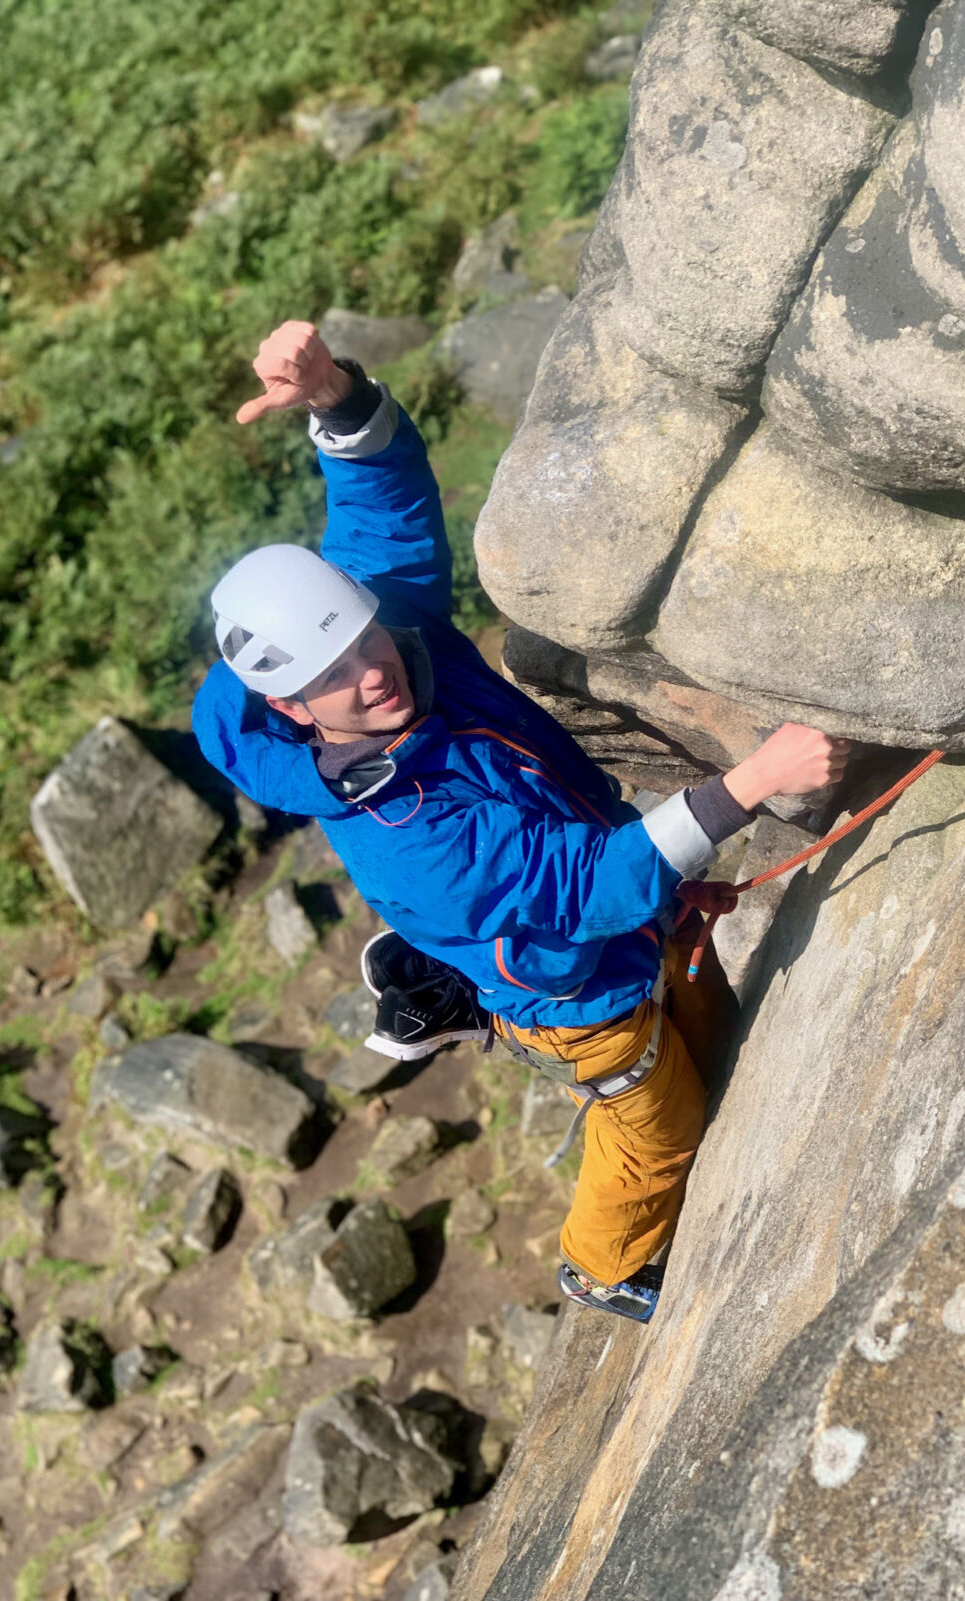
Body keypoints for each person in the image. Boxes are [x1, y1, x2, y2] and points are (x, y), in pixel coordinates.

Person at [193, 321, 849, 1322]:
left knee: (706, 1026)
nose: (372, 671)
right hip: (572, 994)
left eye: (364, 638)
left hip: (615, 915)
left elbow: (389, 514)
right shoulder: (409, 832)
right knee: (659, 1130)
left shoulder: (396, 636)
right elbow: (587, 883)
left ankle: (674, 989)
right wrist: (749, 781)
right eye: (334, 677)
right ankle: (603, 1264)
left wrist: (335, 396)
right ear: (289, 708)